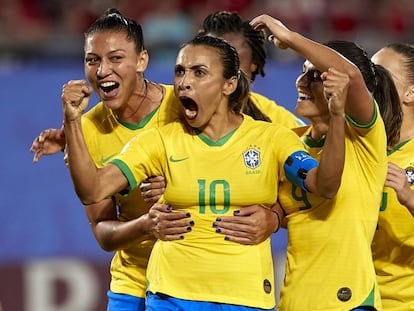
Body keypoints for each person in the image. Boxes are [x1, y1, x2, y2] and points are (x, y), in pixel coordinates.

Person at [62, 34, 347, 310]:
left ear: (229, 84)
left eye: (199, 73)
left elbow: (325, 185)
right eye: (180, 72)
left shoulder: (271, 138)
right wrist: (73, 121)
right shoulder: (160, 141)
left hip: (246, 296)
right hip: (171, 295)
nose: (184, 83)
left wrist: (336, 116)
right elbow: (94, 190)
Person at [29, 9, 281, 310]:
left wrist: (274, 216)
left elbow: (268, 159)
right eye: (92, 60)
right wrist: (145, 225)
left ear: (142, 61)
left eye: (116, 58)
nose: (102, 70)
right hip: (133, 280)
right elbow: (102, 231)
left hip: (196, 279)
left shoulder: (189, 102)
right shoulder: (86, 131)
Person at [249, 14, 402, 311]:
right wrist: (273, 217)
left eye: (315, 74)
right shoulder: (290, 141)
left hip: (350, 301)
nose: (301, 81)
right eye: (303, 71)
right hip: (294, 300)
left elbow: (353, 75)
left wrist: (290, 38)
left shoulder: (363, 137)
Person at [371, 43, 414, 310]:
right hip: (358, 299)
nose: (373, 84)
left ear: (411, 92)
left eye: (382, 75)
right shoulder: (360, 148)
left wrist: (409, 198)